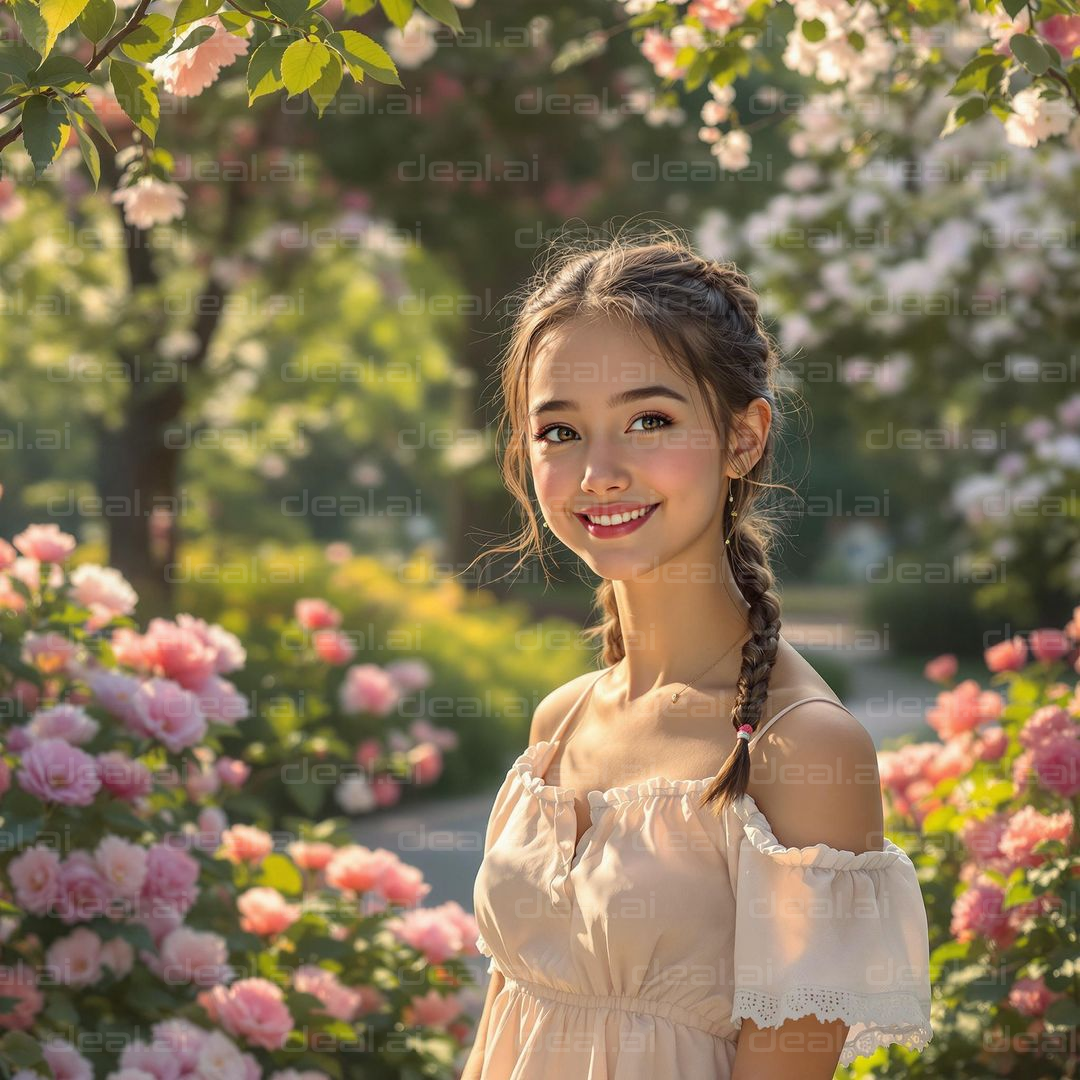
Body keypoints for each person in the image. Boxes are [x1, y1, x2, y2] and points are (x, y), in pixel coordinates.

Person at [461, 230, 933, 1079]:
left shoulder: (801, 749)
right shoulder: (559, 724)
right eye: (559, 431)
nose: (599, 472)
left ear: (744, 436)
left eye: (650, 421)